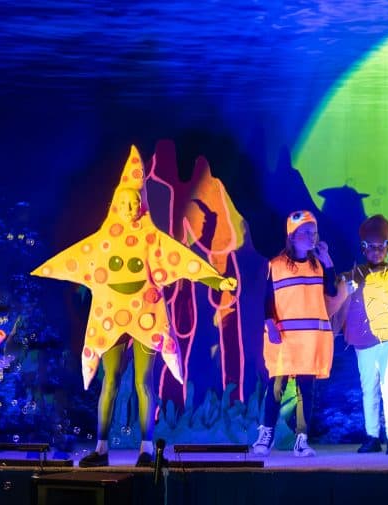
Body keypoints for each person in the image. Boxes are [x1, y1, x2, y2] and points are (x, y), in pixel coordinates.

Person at [32, 146, 236, 467]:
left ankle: (145, 448)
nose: (130, 207)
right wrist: (46, 269)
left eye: (135, 202)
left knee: (144, 383)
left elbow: (183, 261)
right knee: (109, 381)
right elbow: (75, 258)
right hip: (111, 316)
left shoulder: (151, 238)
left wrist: (216, 281)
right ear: (116, 203)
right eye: (125, 202)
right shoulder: (103, 240)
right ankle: (100, 448)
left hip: (146, 316)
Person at [331, 215, 388, 456]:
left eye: (383, 246)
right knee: (368, 386)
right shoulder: (352, 275)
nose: (378, 251)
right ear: (363, 248)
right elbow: (338, 305)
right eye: (373, 247)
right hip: (363, 339)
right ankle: (371, 436)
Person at [251, 210, 336, 457]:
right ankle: (266, 435)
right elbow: (267, 298)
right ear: (292, 235)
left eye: (314, 232)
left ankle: (301, 439)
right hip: (284, 337)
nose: (311, 237)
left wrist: (327, 258)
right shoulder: (276, 265)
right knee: (276, 387)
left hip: (309, 340)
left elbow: (331, 290)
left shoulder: (317, 265)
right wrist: (269, 324)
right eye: (305, 232)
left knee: (305, 391)